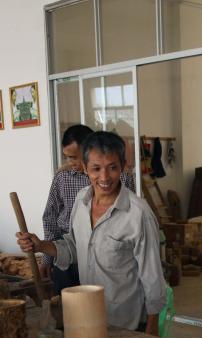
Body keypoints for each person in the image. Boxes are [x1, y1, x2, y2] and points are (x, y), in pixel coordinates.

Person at [18, 131, 165, 333]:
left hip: (126, 324)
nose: (104, 177)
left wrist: (151, 330)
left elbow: (153, 276)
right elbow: (74, 246)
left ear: (122, 166)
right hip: (89, 316)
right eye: (96, 168)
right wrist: (41, 245)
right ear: (85, 168)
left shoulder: (138, 214)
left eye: (112, 168)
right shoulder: (81, 201)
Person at [42, 124, 136, 293]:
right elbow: (50, 217)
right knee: (70, 303)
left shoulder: (120, 178)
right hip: (67, 250)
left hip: (108, 253)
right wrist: (48, 258)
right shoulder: (62, 177)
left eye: (74, 157)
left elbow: (131, 219)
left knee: (104, 301)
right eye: (67, 158)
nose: (71, 163)